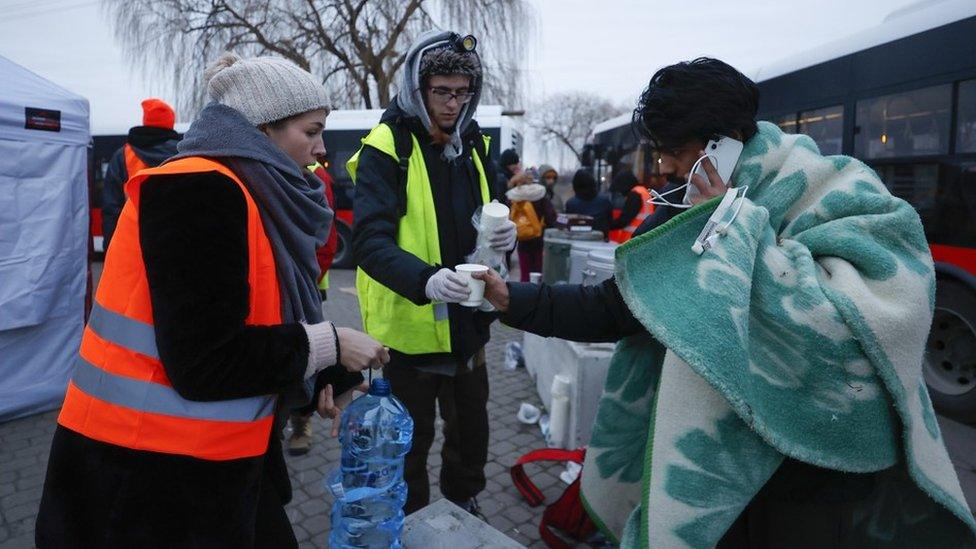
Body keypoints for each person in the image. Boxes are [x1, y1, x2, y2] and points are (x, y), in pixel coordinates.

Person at [475, 57, 976, 548]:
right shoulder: (686, 205)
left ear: (720, 141)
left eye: (671, 148)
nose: (664, 164)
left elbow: (880, 316)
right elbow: (616, 307)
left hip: (816, 479)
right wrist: (510, 298)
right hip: (721, 472)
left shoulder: (835, 186)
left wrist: (730, 230)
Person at [35, 53, 390, 548]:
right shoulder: (197, 189)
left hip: (207, 462)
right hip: (142, 475)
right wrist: (331, 343)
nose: (320, 148)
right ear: (263, 128)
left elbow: (264, 310)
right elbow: (206, 361)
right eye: (311, 131)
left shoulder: (248, 188)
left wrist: (329, 374)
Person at [350, 30, 517, 516]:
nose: (453, 104)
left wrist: (504, 237)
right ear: (417, 88)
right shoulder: (388, 145)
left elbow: (493, 207)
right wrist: (425, 279)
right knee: (408, 441)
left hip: (469, 321)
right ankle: (413, 517)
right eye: (442, 91)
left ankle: (463, 501)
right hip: (410, 331)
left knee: (471, 430)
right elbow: (368, 241)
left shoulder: (475, 142)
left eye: (463, 92)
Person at [287, 163, 340, 456]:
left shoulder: (317, 175)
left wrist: (302, 282)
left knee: (306, 354)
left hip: (307, 285)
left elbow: (326, 240)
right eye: (311, 133)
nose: (321, 148)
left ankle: (301, 423)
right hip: (282, 286)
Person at [101, 98, 180, 250]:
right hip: (174, 239)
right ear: (170, 123)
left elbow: (111, 208)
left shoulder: (123, 155)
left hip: (132, 240)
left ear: (145, 121)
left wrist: (110, 247)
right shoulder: (183, 154)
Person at [506, 171, 556, 282]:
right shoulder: (540, 193)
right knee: (537, 273)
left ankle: (524, 296)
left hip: (522, 239)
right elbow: (550, 216)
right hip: (539, 239)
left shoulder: (513, 196)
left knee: (525, 274)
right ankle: (537, 296)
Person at [606, 168, 654, 243]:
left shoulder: (635, 194)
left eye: (620, 190)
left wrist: (606, 225)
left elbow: (624, 219)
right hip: (641, 239)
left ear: (624, 185)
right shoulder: (643, 192)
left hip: (631, 240)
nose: (621, 194)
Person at [565, 168, 613, 236]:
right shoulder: (604, 201)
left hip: (577, 240)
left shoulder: (571, 203)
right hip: (600, 240)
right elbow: (610, 222)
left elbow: (568, 225)